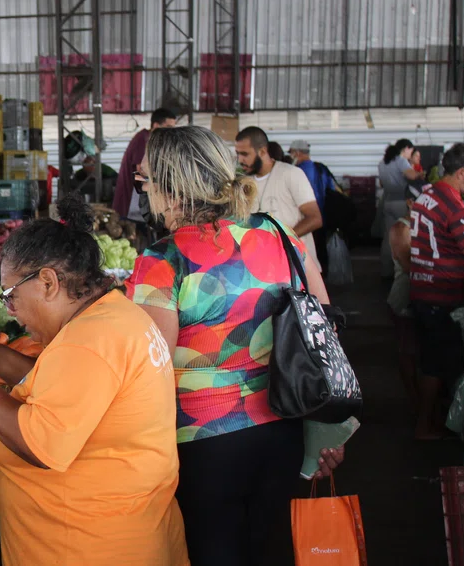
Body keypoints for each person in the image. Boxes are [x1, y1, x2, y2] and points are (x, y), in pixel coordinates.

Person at [0, 191, 188, 565]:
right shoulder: (113, 316)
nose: (11, 311)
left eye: (11, 296)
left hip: (87, 545)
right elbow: (68, 389)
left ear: (48, 282)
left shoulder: (88, 341)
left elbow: (41, 445)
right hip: (124, 531)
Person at [127, 125, 343, 565]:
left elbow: (151, 369)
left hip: (203, 443)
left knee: (215, 551)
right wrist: (329, 430)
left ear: (169, 187)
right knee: (271, 550)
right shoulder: (279, 233)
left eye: (145, 180)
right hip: (284, 427)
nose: (142, 188)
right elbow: (325, 331)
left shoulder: (163, 260)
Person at [408, 143, 464, 439]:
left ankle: (426, 417)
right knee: (437, 363)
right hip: (439, 294)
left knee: (431, 357)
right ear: (462, 172)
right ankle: (425, 425)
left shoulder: (428, 194)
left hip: (422, 289)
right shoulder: (454, 205)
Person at [236, 126, 323, 264]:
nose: (240, 159)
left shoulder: (291, 174)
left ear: (263, 151)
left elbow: (315, 218)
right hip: (265, 268)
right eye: (238, 153)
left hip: (299, 267)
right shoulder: (245, 182)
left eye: (245, 154)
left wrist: (281, 241)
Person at [388, 185, 422, 412]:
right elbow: (410, 267)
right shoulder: (402, 228)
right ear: (410, 202)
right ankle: (415, 401)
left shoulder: (425, 227)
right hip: (404, 298)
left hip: (420, 297)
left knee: (417, 349)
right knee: (408, 350)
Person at [112, 108, 177, 219]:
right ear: (156, 125)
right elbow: (141, 172)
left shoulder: (150, 140)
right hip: (132, 196)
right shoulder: (144, 140)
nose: (171, 131)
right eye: (168, 127)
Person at [289, 140, 339, 270]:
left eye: (291, 153)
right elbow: (332, 190)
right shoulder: (321, 168)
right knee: (321, 251)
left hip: (306, 220)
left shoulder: (296, 172)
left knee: (309, 254)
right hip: (324, 216)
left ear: (297, 153)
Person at [379, 138, 422, 277]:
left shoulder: (383, 162)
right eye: (411, 150)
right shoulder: (401, 161)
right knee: (403, 236)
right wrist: (421, 174)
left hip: (387, 202)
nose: (411, 153)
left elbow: (381, 183)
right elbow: (412, 176)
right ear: (406, 148)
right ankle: (402, 271)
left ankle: (386, 271)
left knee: (388, 237)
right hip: (400, 203)